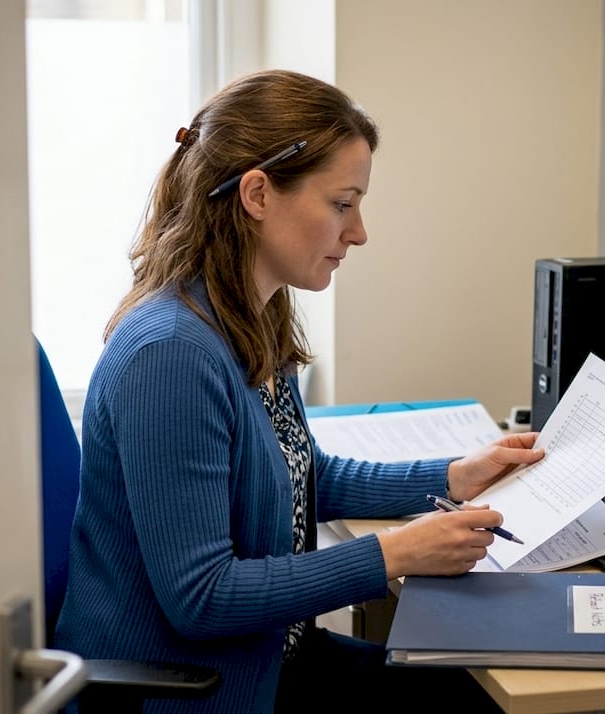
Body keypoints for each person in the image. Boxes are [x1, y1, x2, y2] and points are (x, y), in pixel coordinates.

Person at [53, 69, 544, 713]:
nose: (359, 231)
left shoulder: (250, 314)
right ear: (258, 193)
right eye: (342, 204)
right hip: (190, 688)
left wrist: (455, 476)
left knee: (481, 688)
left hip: (259, 662)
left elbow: (302, 473)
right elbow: (201, 597)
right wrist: (393, 553)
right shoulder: (171, 354)